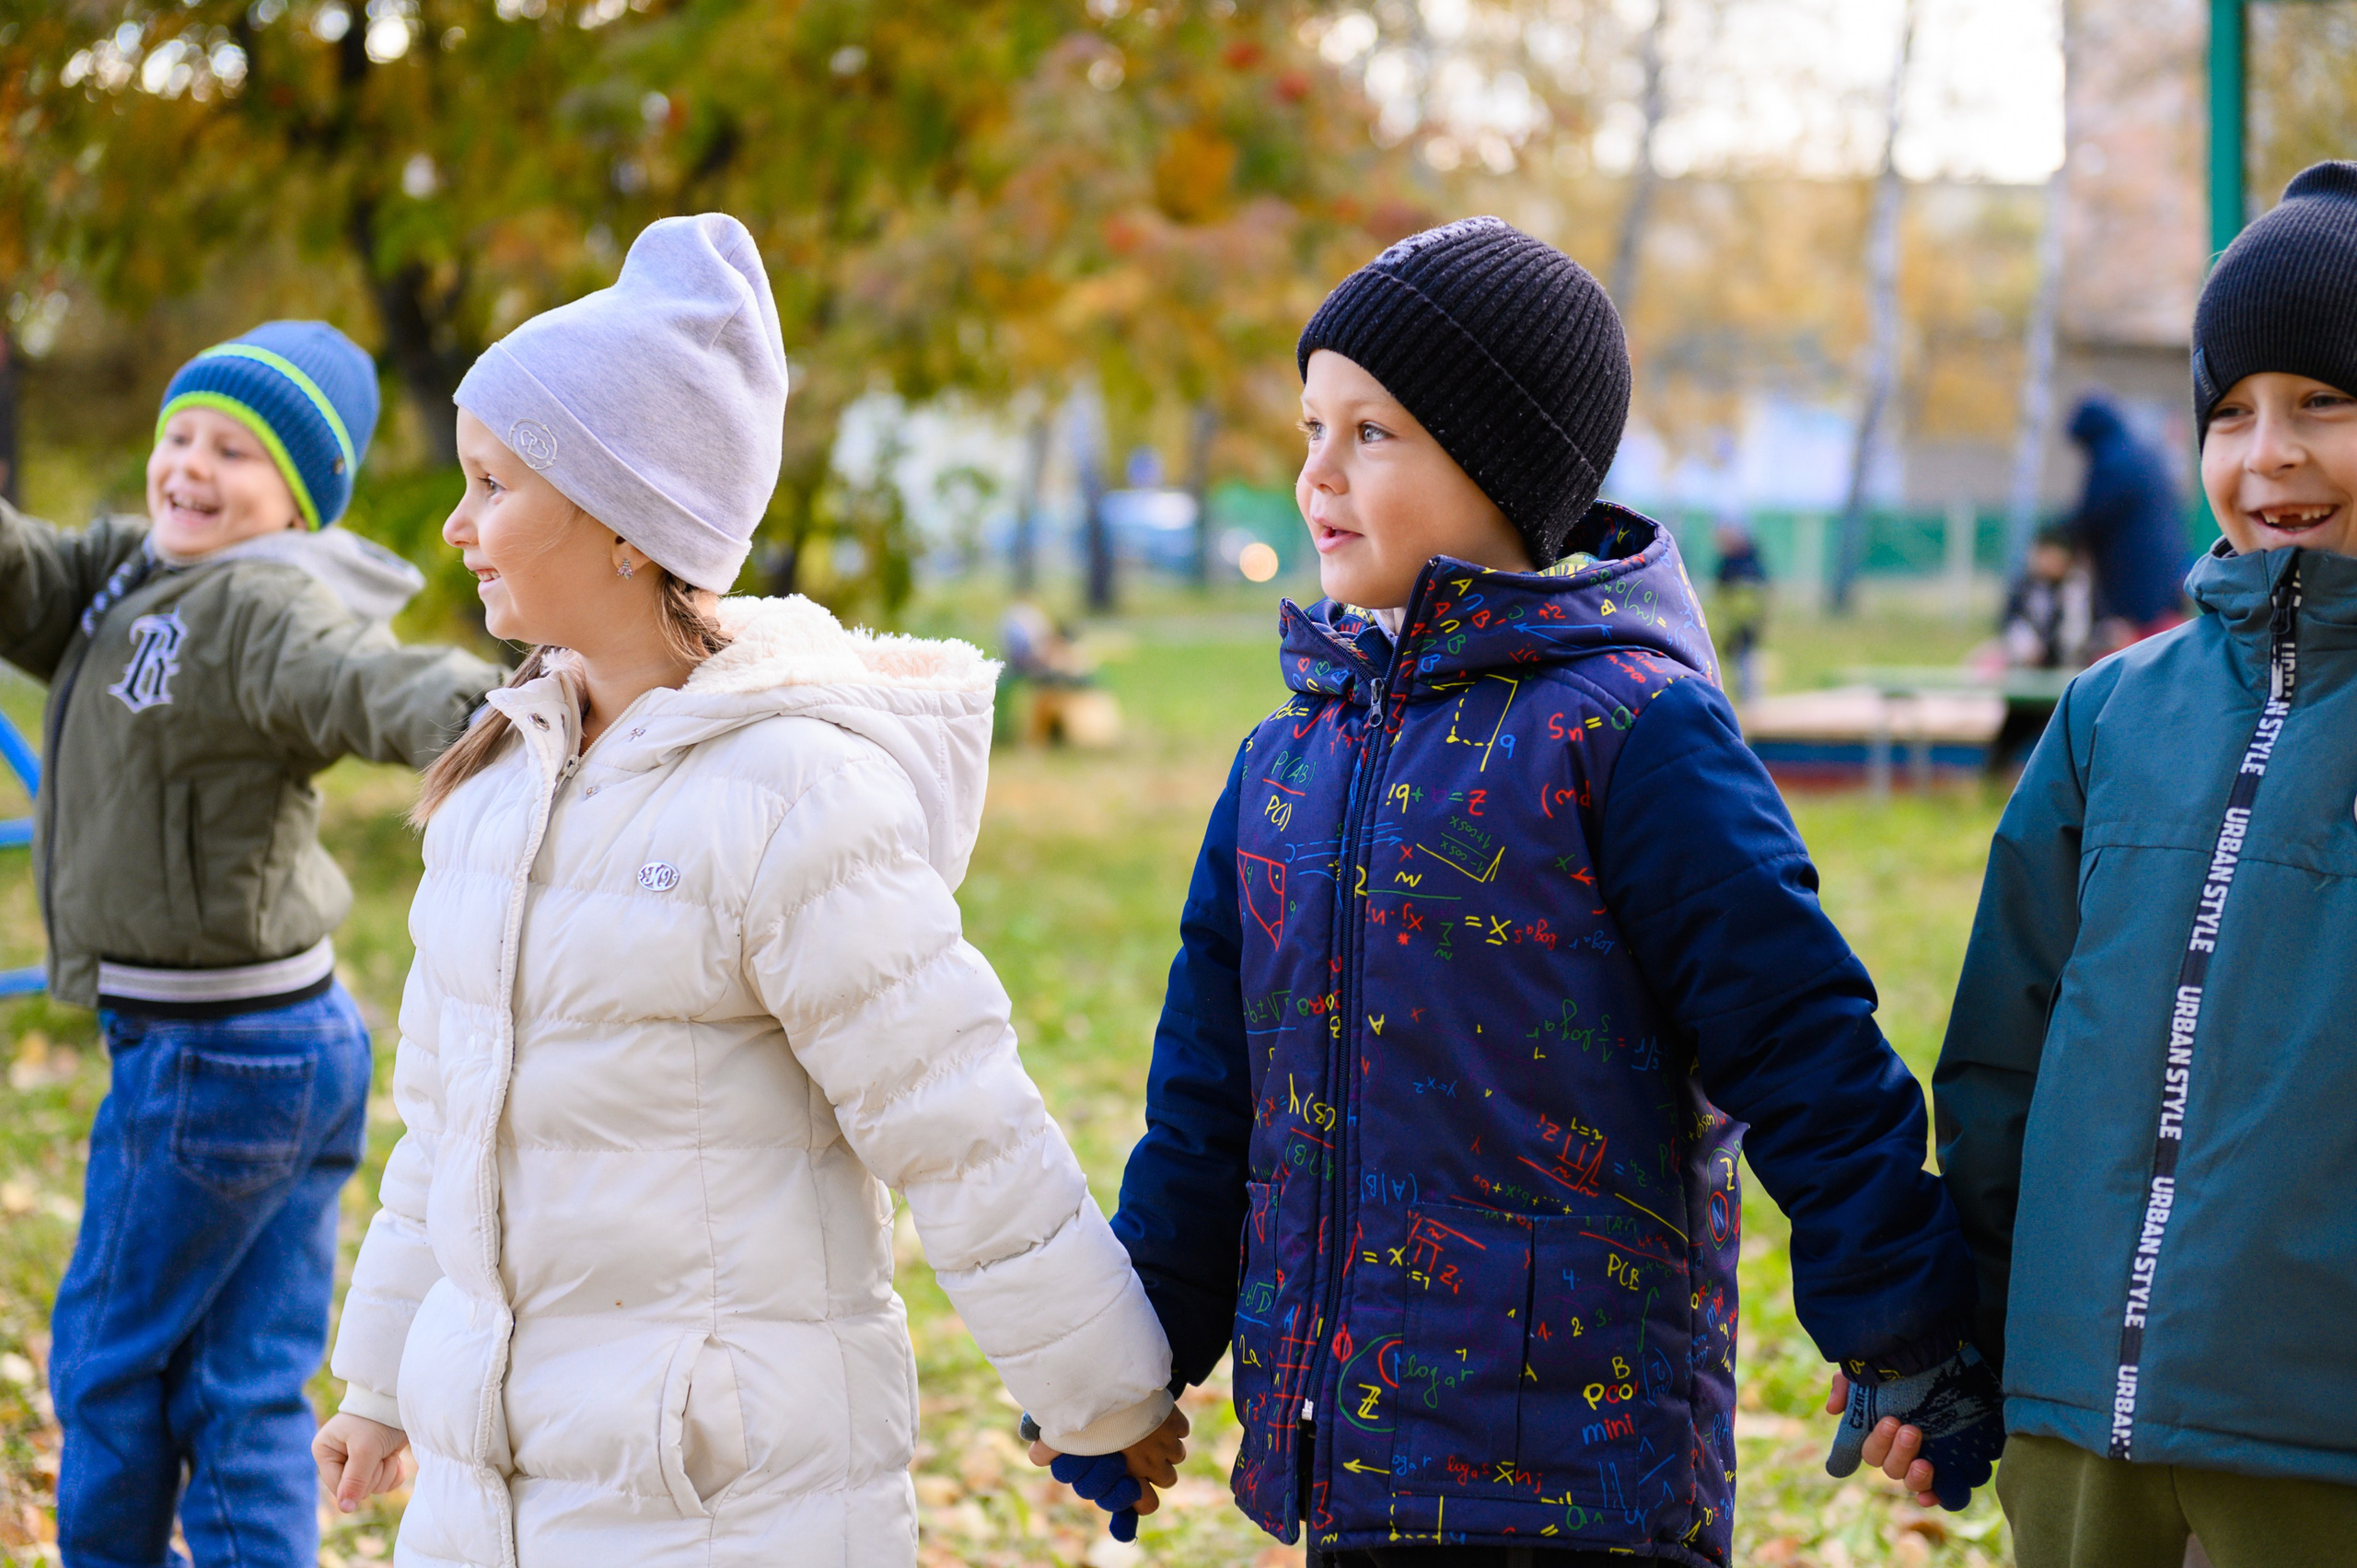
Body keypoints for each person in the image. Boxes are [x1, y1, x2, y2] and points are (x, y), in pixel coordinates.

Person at [1077, 217, 2000, 1567]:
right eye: (1310, 426)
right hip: (1358, 1468)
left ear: (1500, 468)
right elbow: (1211, 1097)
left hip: (1584, 1481)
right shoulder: (1285, 759)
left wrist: (1907, 1331)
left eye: (1371, 434)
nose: (1315, 476)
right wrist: (1128, 1360)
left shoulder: (1633, 733)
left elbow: (1801, 1043)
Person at [308, 214, 1184, 1565]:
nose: (457, 522)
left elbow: (954, 1116)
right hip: (487, 1503)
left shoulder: (788, 795)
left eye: (495, 485)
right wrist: (380, 1379)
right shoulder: (491, 792)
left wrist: (1101, 1392)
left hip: (722, 1501)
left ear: (622, 524)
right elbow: (444, 1135)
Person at [14, 320, 505, 1568]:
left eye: (234, 450)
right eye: (179, 432)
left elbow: (359, 681)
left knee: (111, 1355)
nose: (189, 462)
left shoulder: (260, 599)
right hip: (279, 1042)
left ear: (296, 504)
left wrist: (494, 710)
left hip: (214, 1052)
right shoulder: (128, 572)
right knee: (241, 1377)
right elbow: (25, 576)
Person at [1935, 160, 2357, 1568]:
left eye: (2327, 403)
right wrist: (1965, 1340)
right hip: (2075, 1435)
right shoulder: (2111, 713)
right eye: (2230, 411)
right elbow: (2000, 1057)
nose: (2270, 452)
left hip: (2314, 1444)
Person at [2062, 391, 2189, 650]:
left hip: (2133, 583)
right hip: (2167, 576)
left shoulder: (2112, 464)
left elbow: (2089, 518)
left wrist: (2060, 540)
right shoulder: (2144, 453)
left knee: (2133, 654)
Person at [1997, 528, 2093, 672]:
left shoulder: (2079, 588)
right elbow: (2008, 621)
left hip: (2071, 663)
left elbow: (2091, 625)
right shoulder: (2024, 587)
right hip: (2027, 663)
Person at [1710, 516, 1769, 703]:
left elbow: (1762, 591)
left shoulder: (1748, 560)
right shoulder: (1730, 561)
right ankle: (1743, 697)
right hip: (1733, 621)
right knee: (1737, 660)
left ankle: (1750, 698)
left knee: (1746, 659)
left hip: (1747, 620)